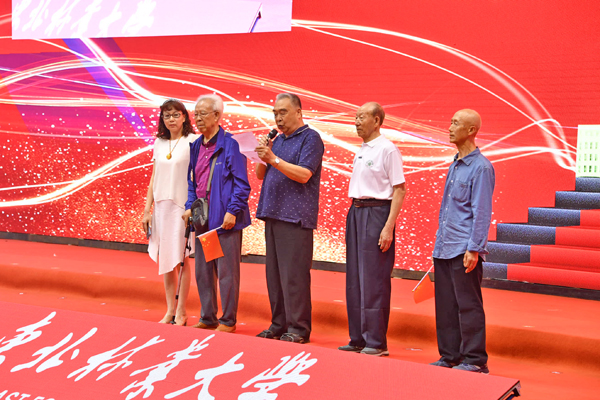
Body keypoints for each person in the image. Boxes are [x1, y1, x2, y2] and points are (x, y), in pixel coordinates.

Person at [254, 93, 324, 344]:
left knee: (294, 276)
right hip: (272, 212)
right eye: (275, 113)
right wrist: (264, 153)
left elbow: (304, 174)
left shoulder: (310, 138)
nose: (278, 118)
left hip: (295, 216)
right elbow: (260, 174)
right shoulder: (278, 140)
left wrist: (273, 158)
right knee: (274, 276)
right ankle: (279, 324)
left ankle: (298, 328)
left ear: (299, 112)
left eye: (283, 112)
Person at [338, 102, 407, 357]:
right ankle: (357, 338)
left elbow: (400, 190)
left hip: (377, 213)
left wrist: (388, 226)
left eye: (362, 117)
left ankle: (376, 342)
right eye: (355, 117)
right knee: (355, 279)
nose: (356, 122)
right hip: (356, 212)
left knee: (374, 279)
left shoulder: (387, 149)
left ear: (377, 121)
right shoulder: (362, 149)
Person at [430, 109, 495, 373]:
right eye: (451, 122)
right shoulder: (454, 164)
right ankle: (450, 356)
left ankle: (475, 360)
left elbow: (482, 211)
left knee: (468, 305)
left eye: (455, 123)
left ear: (471, 130)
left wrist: (474, 248)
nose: (449, 127)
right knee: (446, 305)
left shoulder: (481, 168)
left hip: (464, 248)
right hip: (444, 246)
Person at [182, 94, 251, 333]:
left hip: (224, 222)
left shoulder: (231, 144)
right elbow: (192, 181)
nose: (198, 118)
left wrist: (232, 211)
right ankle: (208, 317)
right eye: (196, 114)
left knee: (226, 273)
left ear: (217, 116)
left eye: (203, 113)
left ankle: (228, 320)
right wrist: (189, 206)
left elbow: (242, 184)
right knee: (204, 271)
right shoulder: (196, 146)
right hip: (203, 220)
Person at [142, 98, 197, 326]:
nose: (171, 119)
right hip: (161, 207)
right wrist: (147, 209)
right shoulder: (159, 142)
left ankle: (182, 311)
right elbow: (154, 178)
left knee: (180, 259)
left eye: (175, 115)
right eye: (167, 115)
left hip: (181, 207)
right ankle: (170, 310)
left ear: (184, 116)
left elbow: (197, 175)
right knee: (165, 258)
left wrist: (192, 206)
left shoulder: (193, 141)